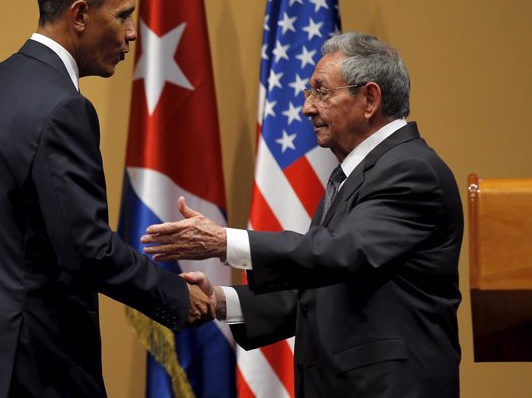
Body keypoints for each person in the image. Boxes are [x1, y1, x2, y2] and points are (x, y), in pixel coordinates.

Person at [0, 0, 214, 398]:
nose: (133, 34)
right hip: (36, 371)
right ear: (80, 15)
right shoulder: (65, 109)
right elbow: (89, 250)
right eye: (123, 16)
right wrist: (175, 296)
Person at [142, 32, 463, 397]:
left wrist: (223, 242)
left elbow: (340, 251)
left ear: (370, 98)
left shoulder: (411, 170)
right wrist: (220, 300)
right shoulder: (356, 173)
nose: (308, 108)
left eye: (321, 92)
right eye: (309, 93)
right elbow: (318, 288)